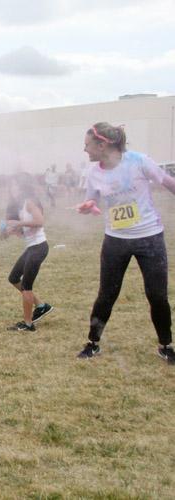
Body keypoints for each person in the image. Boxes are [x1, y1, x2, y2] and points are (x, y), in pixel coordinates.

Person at [76, 122, 175, 364]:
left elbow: (167, 182)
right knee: (107, 294)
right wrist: (89, 206)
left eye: (88, 144)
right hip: (115, 241)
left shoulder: (139, 161)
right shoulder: (93, 173)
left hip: (149, 238)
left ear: (103, 145)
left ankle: (166, 346)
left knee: (157, 295)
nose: (84, 149)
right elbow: (92, 200)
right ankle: (93, 343)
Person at [1, 173, 53, 332]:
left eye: (14, 185)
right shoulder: (19, 205)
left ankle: (28, 324)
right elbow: (25, 230)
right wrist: (12, 231)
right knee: (14, 278)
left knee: (27, 286)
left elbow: (39, 221)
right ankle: (41, 306)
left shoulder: (29, 202)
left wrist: (19, 223)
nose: (12, 189)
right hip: (31, 247)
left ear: (22, 186)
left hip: (39, 247)